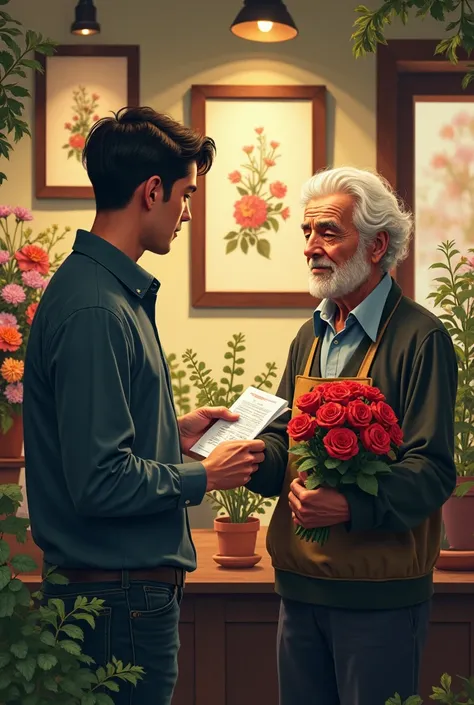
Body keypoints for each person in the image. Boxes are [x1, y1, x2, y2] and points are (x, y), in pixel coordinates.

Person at [23, 106, 265, 705]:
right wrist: (203, 475)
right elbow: (100, 481)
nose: (187, 213)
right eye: (185, 195)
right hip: (118, 604)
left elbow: (102, 445)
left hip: (121, 600)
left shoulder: (106, 292)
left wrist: (172, 434)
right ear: (152, 191)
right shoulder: (97, 310)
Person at [247, 166, 457, 705]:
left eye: (329, 233)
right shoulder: (308, 334)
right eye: (307, 233)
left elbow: (431, 472)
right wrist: (247, 453)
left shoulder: (421, 338)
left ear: (377, 244)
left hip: (380, 596)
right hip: (299, 588)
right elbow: (281, 444)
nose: (312, 247)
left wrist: (347, 506)